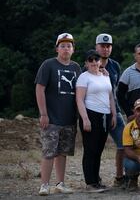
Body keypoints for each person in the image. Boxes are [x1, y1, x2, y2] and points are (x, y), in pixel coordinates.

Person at [35, 33, 81, 196]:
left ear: (73, 49)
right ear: (57, 49)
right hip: (52, 117)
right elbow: (40, 89)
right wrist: (43, 113)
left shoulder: (76, 67)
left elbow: (81, 91)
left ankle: (60, 183)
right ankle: (44, 185)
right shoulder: (48, 65)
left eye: (69, 46)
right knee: (49, 151)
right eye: (62, 46)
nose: (66, 48)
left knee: (62, 152)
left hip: (69, 118)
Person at [76, 50, 117, 192]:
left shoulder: (106, 76)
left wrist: (114, 114)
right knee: (90, 149)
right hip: (90, 114)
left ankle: (97, 180)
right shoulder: (84, 77)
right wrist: (85, 118)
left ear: (100, 61)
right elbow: (79, 99)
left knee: (99, 150)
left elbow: (110, 96)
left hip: (105, 116)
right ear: (86, 63)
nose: (94, 62)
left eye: (96, 60)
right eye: (90, 60)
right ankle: (90, 183)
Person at [95, 33, 126, 186]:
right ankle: (95, 178)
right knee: (96, 147)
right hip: (96, 112)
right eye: (102, 46)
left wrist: (117, 112)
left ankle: (119, 178)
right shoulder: (89, 65)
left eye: (108, 46)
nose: (105, 49)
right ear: (96, 47)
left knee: (124, 143)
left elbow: (116, 90)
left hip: (115, 111)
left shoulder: (115, 66)